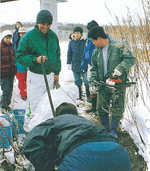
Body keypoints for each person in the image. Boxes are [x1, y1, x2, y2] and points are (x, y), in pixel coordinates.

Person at [23, 114, 131, 171]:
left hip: (81, 155)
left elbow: (31, 141)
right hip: (119, 154)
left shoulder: (56, 121)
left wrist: (46, 167)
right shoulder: (86, 122)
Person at [88, 26, 135, 138]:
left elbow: (130, 59)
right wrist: (92, 82)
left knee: (117, 107)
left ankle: (113, 130)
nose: (93, 43)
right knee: (101, 107)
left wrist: (120, 68)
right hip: (102, 84)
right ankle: (105, 127)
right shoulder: (96, 52)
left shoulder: (119, 45)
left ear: (99, 38)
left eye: (93, 41)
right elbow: (94, 69)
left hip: (117, 85)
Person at [16, 10, 61, 116]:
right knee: (34, 107)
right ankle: (30, 130)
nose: (46, 27)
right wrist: (34, 59)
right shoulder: (28, 37)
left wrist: (57, 72)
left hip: (50, 76)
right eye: (43, 24)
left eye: (48, 24)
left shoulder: (53, 36)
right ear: (37, 23)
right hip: (36, 77)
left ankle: (45, 129)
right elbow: (19, 56)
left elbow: (57, 55)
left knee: (47, 106)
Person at [67, 27, 91, 102]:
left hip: (84, 64)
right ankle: (79, 96)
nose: (76, 35)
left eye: (78, 33)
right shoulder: (71, 42)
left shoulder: (85, 41)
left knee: (86, 80)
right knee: (77, 81)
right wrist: (68, 63)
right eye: (75, 33)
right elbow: (69, 53)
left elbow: (87, 52)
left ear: (81, 34)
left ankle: (89, 96)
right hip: (75, 64)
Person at [81, 20, 99, 113]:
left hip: (98, 67)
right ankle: (93, 106)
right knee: (91, 86)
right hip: (90, 65)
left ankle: (99, 108)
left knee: (98, 86)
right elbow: (85, 53)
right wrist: (83, 65)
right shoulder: (88, 39)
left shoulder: (99, 38)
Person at [0, 30, 17, 113]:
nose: (8, 40)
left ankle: (7, 105)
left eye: (9, 38)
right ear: (3, 38)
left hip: (11, 73)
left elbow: (13, 59)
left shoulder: (11, 46)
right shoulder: (0, 47)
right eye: (6, 38)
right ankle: (3, 106)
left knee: (10, 90)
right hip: (3, 73)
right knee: (6, 90)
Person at [15, 27, 28, 101]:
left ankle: (27, 93)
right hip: (19, 66)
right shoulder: (16, 44)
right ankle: (23, 94)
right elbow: (14, 55)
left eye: (24, 33)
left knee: (28, 80)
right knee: (21, 81)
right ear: (19, 34)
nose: (22, 34)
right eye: (21, 33)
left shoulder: (29, 42)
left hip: (27, 66)